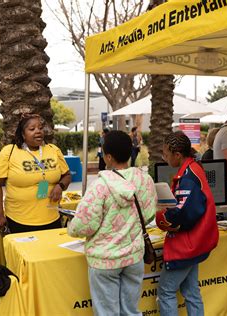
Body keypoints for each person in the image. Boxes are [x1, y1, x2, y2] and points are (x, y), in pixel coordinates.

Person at [68, 130, 157, 315]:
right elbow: (149, 214)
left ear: (108, 157)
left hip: (105, 260)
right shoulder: (145, 180)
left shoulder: (99, 186)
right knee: (131, 310)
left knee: (107, 312)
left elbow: (84, 224)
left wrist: (71, 228)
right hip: (134, 256)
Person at [156, 131, 218, 316]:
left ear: (177, 155)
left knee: (166, 291)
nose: (164, 158)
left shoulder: (189, 177)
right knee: (191, 292)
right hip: (197, 242)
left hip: (187, 244)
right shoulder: (194, 168)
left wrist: (163, 218)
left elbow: (183, 214)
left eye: (166, 154)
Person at [0, 114, 72, 234]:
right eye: (32, 129)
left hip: (51, 218)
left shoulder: (53, 150)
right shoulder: (9, 151)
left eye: (40, 128)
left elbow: (67, 175)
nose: (38, 131)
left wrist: (60, 186)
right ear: (23, 134)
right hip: (18, 219)